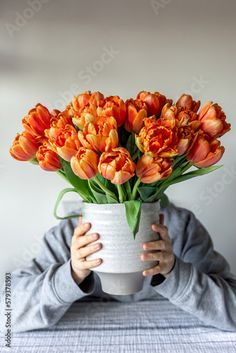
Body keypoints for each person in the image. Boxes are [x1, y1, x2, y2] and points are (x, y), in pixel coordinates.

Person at [1, 202, 236, 332]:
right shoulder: (71, 234)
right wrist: (71, 274)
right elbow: (6, 311)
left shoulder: (181, 228)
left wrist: (175, 271)